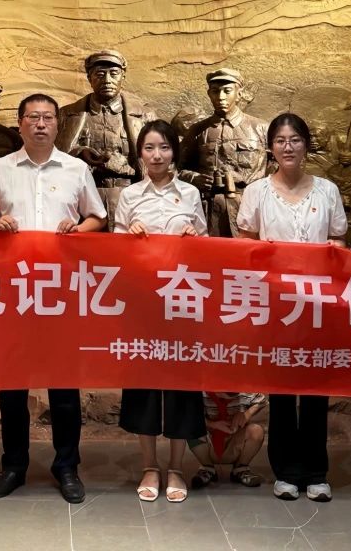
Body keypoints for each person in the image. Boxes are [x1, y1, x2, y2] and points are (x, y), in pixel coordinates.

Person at [0, 92, 107, 504]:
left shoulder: (76, 168)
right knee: (13, 385)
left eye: (48, 117)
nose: (41, 124)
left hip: (60, 292)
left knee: (63, 386)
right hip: (14, 291)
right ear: (20, 124)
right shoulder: (2, 167)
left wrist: (77, 230)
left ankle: (66, 466)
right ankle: (13, 465)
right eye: (33, 117)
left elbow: (98, 217)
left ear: (57, 124)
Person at [236, 112, 347, 503]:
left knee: (316, 390)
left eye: (295, 139)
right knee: (282, 390)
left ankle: (316, 472)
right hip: (277, 304)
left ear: (306, 145)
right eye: (280, 140)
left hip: (318, 304)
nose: (288, 147)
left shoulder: (327, 191)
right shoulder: (257, 192)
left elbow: (338, 243)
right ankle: (285, 471)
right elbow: (246, 244)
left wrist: (333, 252)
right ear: (271, 148)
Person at [113, 119, 207, 503]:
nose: (157, 155)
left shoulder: (190, 194)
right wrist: (129, 238)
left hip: (181, 301)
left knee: (181, 385)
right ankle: (150, 465)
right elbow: (114, 250)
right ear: (140, 154)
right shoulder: (129, 196)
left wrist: (193, 239)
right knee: (144, 386)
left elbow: (205, 248)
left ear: (174, 153)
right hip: (142, 303)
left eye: (164, 147)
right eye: (150, 148)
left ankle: (176, 467)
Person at [56, 50, 156, 229]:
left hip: (130, 198)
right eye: (100, 74)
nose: (107, 80)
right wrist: (80, 153)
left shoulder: (145, 116)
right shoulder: (67, 114)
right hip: (84, 199)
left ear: (123, 76)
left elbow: (162, 160)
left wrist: (123, 166)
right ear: (89, 78)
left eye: (114, 74)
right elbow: (54, 157)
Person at [177, 68, 268, 237]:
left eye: (227, 91)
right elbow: (177, 169)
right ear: (209, 94)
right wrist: (194, 178)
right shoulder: (197, 131)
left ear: (239, 94)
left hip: (250, 209)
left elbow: (277, 169)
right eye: (215, 91)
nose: (220, 97)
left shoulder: (261, 128)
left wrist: (246, 180)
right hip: (208, 211)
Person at [189, 392, 267, 488]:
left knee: (256, 431)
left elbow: (263, 401)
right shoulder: (201, 392)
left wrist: (247, 414)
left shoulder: (246, 393)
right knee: (190, 427)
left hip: (235, 443)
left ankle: (241, 468)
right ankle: (207, 468)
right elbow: (188, 412)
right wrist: (212, 424)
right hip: (208, 444)